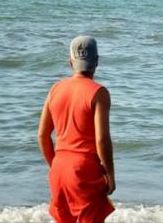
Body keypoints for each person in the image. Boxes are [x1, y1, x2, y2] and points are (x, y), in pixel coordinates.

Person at [38, 36, 115, 223]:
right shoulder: (99, 93)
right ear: (97, 61)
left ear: (70, 62)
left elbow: (42, 135)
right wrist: (110, 175)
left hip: (59, 169)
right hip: (83, 171)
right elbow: (102, 140)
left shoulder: (55, 89)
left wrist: (54, 165)